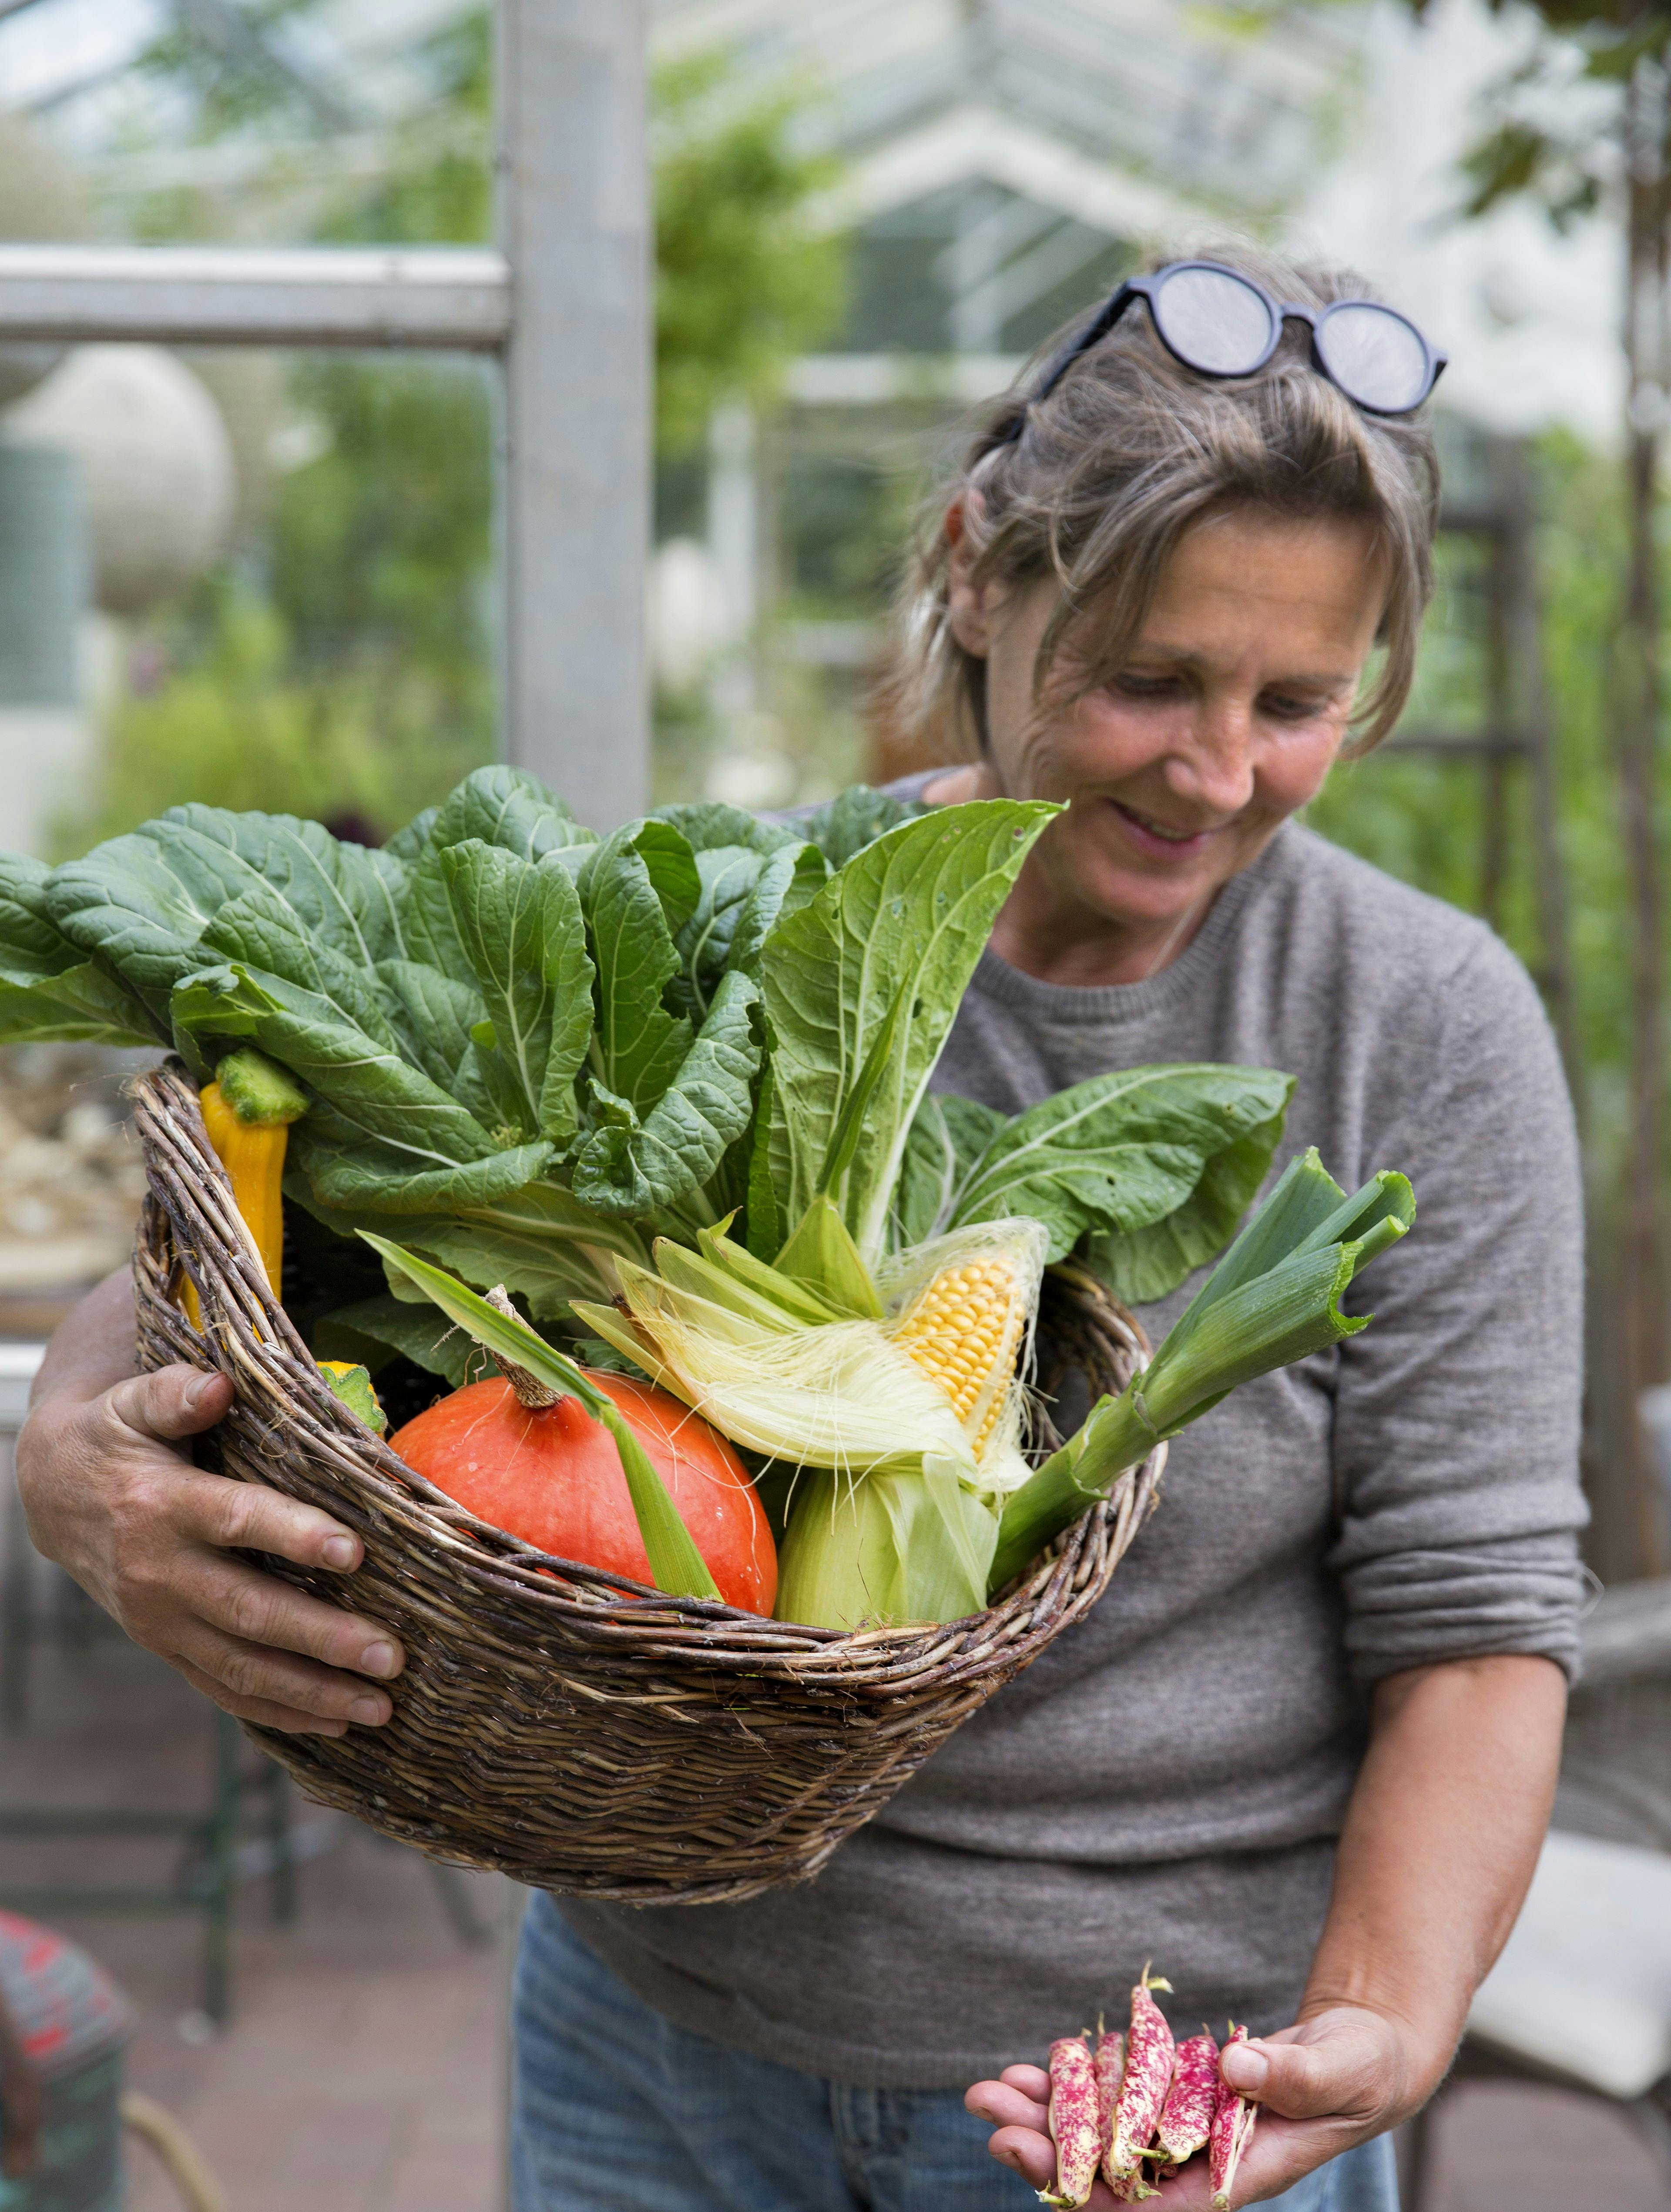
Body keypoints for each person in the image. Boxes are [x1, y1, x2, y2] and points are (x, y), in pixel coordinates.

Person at [15, 248, 1584, 2212]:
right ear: (979, 576)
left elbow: (1477, 1622)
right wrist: (67, 1448)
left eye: (1299, 702)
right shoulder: (751, 913)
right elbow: (265, 1241)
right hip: (654, 2042)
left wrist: (1379, 2020)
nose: (1216, 770)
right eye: (1147, 681)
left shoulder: (1421, 1024)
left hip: (1141, 2089)